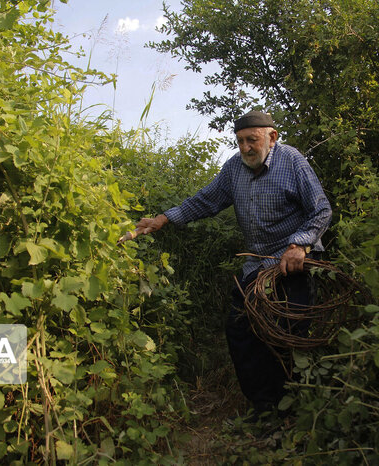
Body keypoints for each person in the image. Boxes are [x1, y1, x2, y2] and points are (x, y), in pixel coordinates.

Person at [136, 110, 331, 416]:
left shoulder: (292, 161)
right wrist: (162, 219)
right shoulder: (233, 169)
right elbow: (205, 201)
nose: (244, 148)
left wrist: (300, 244)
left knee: (286, 330)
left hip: (293, 260)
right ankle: (264, 406)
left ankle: (295, 407)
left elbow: (320, 210)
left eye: (251, 140)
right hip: (257, 264)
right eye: (239, 141)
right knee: (239, 328)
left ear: (272, 137)